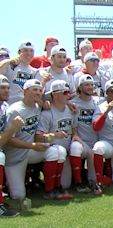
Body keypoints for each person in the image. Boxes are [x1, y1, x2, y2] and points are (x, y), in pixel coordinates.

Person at [3, 79, 68, 200]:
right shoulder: (15, 110)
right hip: (15, 155)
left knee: (56, 151)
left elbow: (57, 101)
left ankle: (51, 190)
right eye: (34, 90)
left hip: (30, 150)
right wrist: (32, 146)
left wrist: (69, 104)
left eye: (40, 90)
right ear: (25, 91)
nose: (38, 93)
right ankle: (9, 183)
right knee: (18, 196)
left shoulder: (38, 107)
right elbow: (9, 140)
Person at [36, 80, 87, 198]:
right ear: (54, 94)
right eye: (64, 92)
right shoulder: (47, 113)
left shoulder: (70, 109)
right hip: (50, 150)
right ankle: (50, 190)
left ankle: (73, 184)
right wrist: (52, 136)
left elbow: (73, 128)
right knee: (57, 150)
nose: (68, 95)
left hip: (65, 153)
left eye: (68, 92)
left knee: (66, 183)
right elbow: (38, 137)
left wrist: (75, 134)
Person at [70, 75, 104, 186]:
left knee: (94, 180)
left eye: (91, 85)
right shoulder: (73, 103)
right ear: (80, 87)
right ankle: (78, 182)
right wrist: (67, 103)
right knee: (75, 147)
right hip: (82, 142)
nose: (90, 87)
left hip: (95, 143)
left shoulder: (98, 101)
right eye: (87, 85)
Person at [0, 75, 24, 217]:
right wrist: (12, 129)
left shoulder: (5, 107)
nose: (7, 91)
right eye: (2, 88)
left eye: (8, 88)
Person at [0, 40, 40, 104]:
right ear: (19, 52)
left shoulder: (34, 71)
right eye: (25, 50)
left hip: (26, 108)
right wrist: (8, 61)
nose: (29, 53)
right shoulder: (9, 65)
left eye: (31, 51)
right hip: (8, 106)